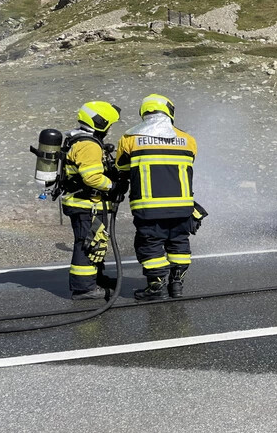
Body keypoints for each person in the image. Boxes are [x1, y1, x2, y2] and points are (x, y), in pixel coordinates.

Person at [114, 94, 205, 301]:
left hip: (149, 208)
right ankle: (176, 285)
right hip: (182, 207)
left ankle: (156, 288)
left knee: (151, 245)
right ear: (169, 112)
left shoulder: (129, 139)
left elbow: (121, 168)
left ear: (144, 112)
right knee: (179, 243)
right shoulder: (188, 140)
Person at [61, 101, 121, 300]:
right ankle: (84, 288)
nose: (110, 128)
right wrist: (113, 187)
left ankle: (96, 278)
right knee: (87, 244)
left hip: (87, 203)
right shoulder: (89, 145)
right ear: (101, 122)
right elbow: (92, 178)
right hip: (86, 204)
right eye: (109, 124)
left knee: (96, 242)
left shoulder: (81, 140)